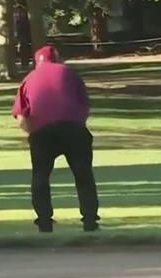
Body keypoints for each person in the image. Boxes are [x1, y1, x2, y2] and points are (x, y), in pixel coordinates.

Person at [12, 45, 99, 233]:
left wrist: (32, 133)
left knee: (40, 176)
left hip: (43, 132)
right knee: (83, 175)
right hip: (73, 129)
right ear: (58, 58)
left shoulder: (28, 79)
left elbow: (21, 116)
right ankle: (90, 221)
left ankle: (44, 221)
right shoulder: (71, 74)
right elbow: (84, 106)